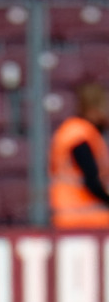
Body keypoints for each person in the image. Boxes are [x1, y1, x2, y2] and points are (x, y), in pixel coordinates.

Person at [49, 82, 109, 228]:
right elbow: (91, 180)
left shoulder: (72, 130)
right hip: (82, 214)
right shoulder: (80, 135)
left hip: (67, 213)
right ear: (93, 109)